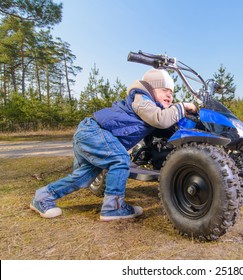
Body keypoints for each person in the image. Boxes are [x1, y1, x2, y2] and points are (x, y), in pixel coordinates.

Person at [30, 68, 197, 221]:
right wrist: (182, 107)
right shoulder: (142, 99)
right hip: (94, 131)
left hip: (90, 133)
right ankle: (113, 207)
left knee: (83, 178)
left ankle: (42, 197)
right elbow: (159, 119)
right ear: (149, 89)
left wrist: (178, 110)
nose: (169, 95)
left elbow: (162, 116)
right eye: (164, 90)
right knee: (120, 159)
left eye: (171, 92)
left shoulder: (150, 104)